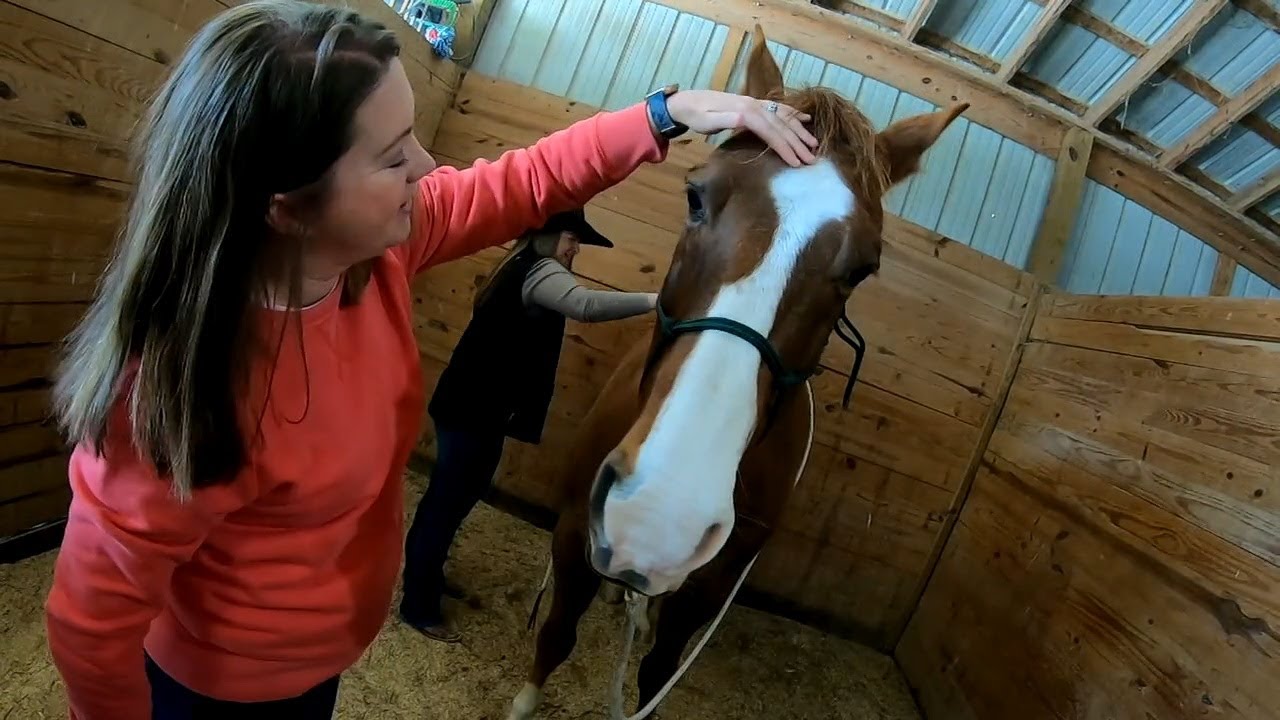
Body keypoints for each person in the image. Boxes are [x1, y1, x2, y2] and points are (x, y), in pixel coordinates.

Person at [41, 1, 818, 718]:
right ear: (287, 209)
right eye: (390, 157)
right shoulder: (179, 395)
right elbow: (90, 625)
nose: (426, 163)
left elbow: (526, 179)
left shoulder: (370, 257)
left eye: (413, 133)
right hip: (221, 695)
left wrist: (668, 112)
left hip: (319, 663)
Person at [401, 208, 656, 642]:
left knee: (453, 499)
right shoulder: (540, 270)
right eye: (571, 239)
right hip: (473, 409)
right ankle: (418, 605)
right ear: (547, 236)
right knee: (446, 503)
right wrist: (658, 300)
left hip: (474, 408)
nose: (575, 249)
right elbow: (586, 305)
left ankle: (425, 577)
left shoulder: (519, 265)